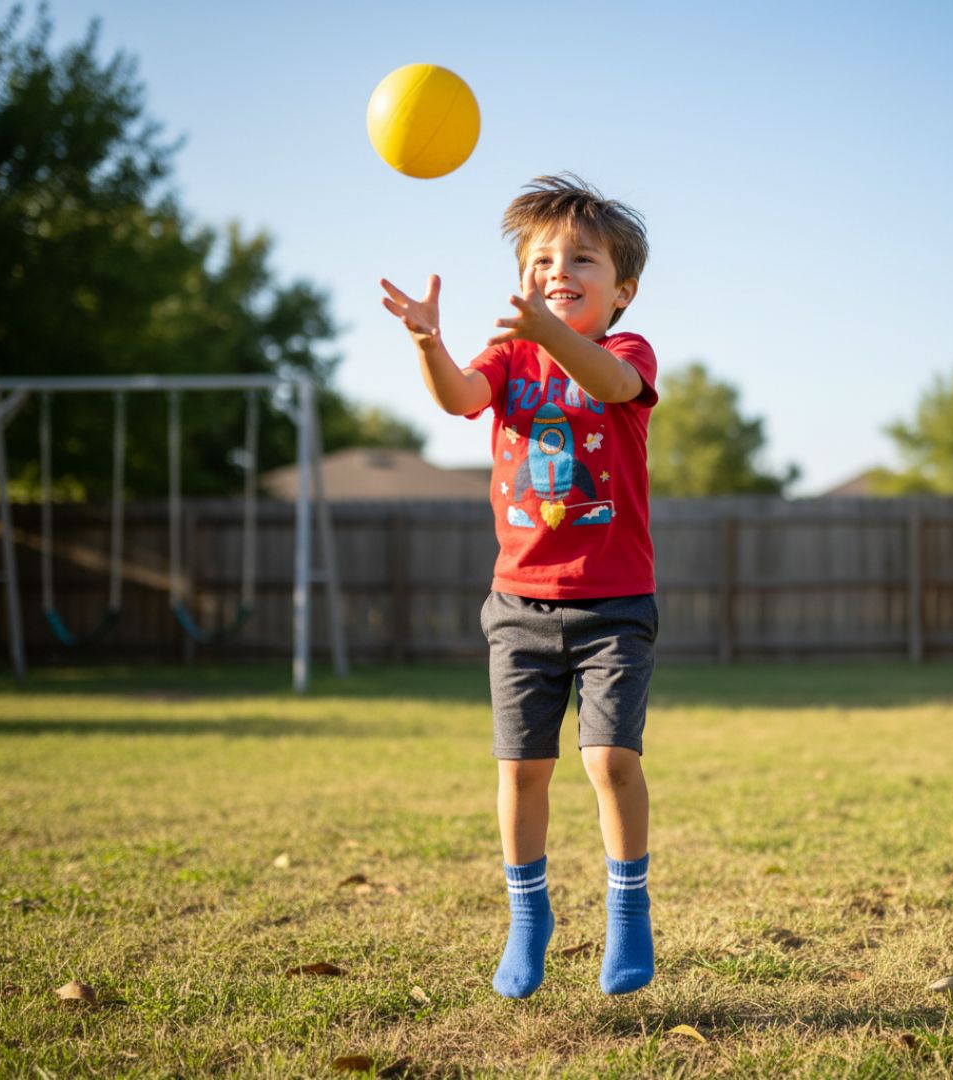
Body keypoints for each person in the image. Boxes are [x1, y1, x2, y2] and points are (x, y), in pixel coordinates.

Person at [381, 173, 658, 998]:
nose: (558, 269)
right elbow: (460, 399)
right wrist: (429, 343)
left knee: (609, 758)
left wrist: (552, 332)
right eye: (542, 259)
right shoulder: (508, 358)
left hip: (613, 605)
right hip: (518, 606)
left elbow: (608, 387)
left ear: (622, 290)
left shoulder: (628, 353)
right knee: (523, 770)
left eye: (582, 258)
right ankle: (528, 916)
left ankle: (628, 910)